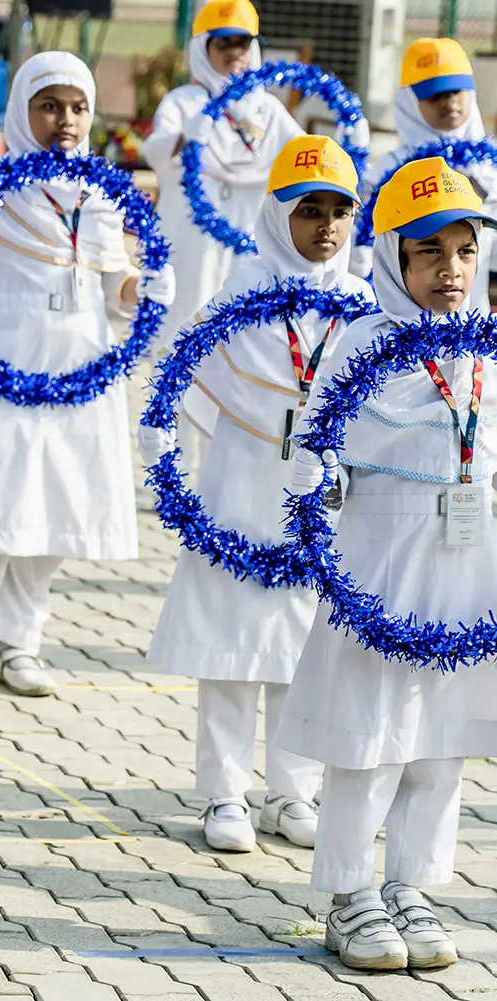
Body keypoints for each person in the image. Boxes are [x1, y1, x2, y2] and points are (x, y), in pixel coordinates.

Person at [275, 157, 497, 972]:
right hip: (381, 558)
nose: (450, 269)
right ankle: (351, 893)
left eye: (465, 251)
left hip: (466, 557)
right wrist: (317, 489)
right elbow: (317, 448)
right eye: (428, 251)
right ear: (394, 258)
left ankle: (413, 885)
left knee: (440, 738)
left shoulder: (485, 347)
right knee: (370, 734)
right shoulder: (363, 346)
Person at [0, 52, 176, 699]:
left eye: (78, 107)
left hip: (77, 374)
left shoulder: (101, 192)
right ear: (21, 110)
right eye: (49, 106)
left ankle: (19, 643)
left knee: (53, 513)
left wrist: (140, 289)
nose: (66, 120)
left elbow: (112, 280)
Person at [142, 136, 372, 853]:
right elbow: (188, 375)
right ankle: (224, 792)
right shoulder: (243, 288)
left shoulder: (362, 299)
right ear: (277, 213)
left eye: (339, 211)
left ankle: (291, 791)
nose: (326, 227)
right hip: (241, 487)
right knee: (232, 644)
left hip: (322, 499)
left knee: (308, 647)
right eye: (309, 210)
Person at [141, 0, 302, 468]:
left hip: (246, 248)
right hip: (191, 247)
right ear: (202, 49)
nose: (234, 53)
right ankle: (170, 463)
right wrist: (183, 138)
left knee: (242, 350)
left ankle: (221, 468)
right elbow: (154, 152)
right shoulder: (183, 103)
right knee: (181, 340)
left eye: (242, 43)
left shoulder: (268, 109)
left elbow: (304, 156)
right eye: (222, 43)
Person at [358, 37, 497, 308]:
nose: (449, 102)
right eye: (435, 95)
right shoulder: (390, 169)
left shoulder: (490, 164)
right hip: (406, 317)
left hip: (474, 312)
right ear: (409, 101)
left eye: (456, 91)